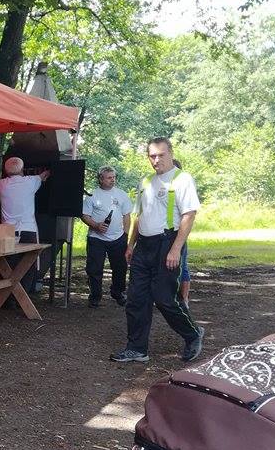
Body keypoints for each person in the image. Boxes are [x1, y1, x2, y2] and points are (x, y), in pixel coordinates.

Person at [110, 137, 203, 364]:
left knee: (164, 298)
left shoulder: (182, 179)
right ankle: (136, 349)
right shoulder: (146, 182)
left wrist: (175, 249)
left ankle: (193, 334)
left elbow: (189, 215)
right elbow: (139, 216)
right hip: (143, 246)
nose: (156, 160)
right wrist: (131, 245)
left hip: (167, 243)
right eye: (152, 156)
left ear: (171, 154)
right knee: (136, 299)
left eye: (161, 155)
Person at [81, 166, 133, 307]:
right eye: (109, 177)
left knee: (120, 267)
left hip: (118, 238)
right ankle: (95, 296)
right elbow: (85, 215)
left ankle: (117, 292)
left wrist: (125, 235)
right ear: (101, 179)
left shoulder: (121, 194)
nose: (112, 180)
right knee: (94, 269)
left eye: (114, 177)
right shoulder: (92, 195)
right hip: (96, 238)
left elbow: (127, 216)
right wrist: (96, 225)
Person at [0, 156, 49, 293]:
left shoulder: (2, 184)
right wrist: (47, 171)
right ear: (22, 169)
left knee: (8, 265)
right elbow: (43, 176)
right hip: (28, 230)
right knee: (27, 265)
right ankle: (24, 293)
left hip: (8, 231)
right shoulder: (31, 181)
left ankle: (6, 296)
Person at [173, 159, 192, 306]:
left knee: (182, 265)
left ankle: (184, 298)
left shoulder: (184, 186)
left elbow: (189, 215)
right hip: (161, 235)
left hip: (178, 234)